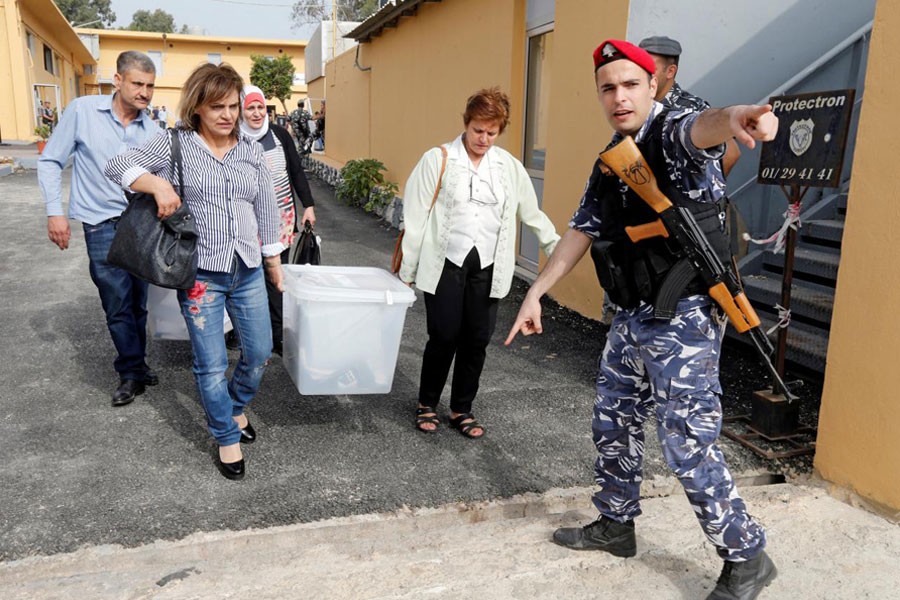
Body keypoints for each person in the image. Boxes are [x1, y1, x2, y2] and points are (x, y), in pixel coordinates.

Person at [505, 40, 779, 599]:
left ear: (654, 85)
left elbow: (704, 128)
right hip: (632, 316)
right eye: (608, 87)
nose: (619, 96)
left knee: (686, 441)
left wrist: (736, 118)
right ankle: (616, 524)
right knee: (612, 421)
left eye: (631, 84)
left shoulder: (671, 134)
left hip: (686, 317)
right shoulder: (613, 156)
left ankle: (747, 555)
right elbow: (581, 231)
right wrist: (535, 292)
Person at [105, 63, 284, 481]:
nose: (227, 115)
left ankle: (236, 408)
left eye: (233, 106)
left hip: (248, 267)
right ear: (198, 108)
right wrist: (159, 185)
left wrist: (274, 261)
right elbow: (117, 165)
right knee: (210, 362)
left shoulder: (250, 150)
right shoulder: (175, 145)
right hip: (201, 274)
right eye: (216, 106)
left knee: (259, 351)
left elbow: (266, 207)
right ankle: (225, 434)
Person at [399, 87, 559, 438]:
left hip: (488, 267)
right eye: (477, 130)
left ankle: (461, 408)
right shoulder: (438, 159)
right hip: (445, 264)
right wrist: (406, 273)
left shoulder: (508, 168)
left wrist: (558, 247)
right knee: (443, 336)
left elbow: (531, 214)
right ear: (466, 123)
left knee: (476, 339)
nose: (483, 139)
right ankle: (427, 403)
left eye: (491, 132)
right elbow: (415, 218)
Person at [38, 51, 160, 407]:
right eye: (138, 83)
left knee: (139, 302)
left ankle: (136, 363)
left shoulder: (151, 129)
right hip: (100, 223)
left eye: (150, 86)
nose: (145, 92)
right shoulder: (82, 111)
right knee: (117, 302)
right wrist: (54, 213)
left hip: (140, 225)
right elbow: (50, 161)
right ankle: (131, 372)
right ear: (118, 81)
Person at [240, 84, 316, 355]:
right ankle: (243, 332)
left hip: (281, 219)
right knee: (246, 278)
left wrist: (308, 205)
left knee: (276, 279)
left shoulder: (280, 134)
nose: (257, 113)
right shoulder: (233, 137)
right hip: (246, 221)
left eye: (261, 107)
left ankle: (276, 334)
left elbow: (296, 171)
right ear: (241, 110)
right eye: (251, 108)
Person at [638, 35, 740, 177]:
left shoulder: (691, 108)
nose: (642, 73)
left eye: (649, 68)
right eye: (639, 66)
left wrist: (702, 194)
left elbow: (731, 153)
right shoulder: (639, 103)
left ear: (670, 71)